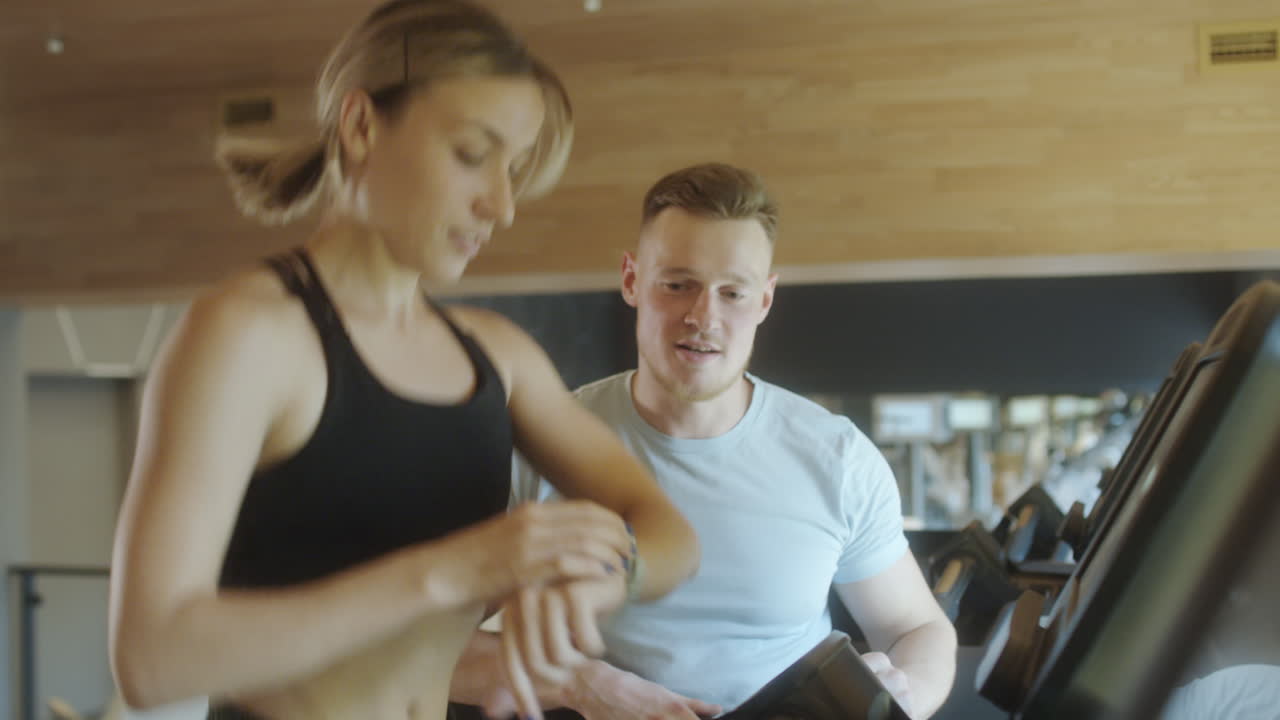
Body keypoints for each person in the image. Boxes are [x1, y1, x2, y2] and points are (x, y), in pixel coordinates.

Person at [106, 2, 700, 719]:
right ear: (361, 127)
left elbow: (668, 532)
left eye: (512, 169)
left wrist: (607, 578)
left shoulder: (495, 357)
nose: (502, 205)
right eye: (471, 155)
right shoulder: (251, 333)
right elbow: (150, 657)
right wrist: (455, 571)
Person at [450, 163, 958, 719]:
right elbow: (430, 648)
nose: (703, 316)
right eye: (677, 285)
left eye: (732, 292)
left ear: (764, 300)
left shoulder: (837, 458)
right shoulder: (538, 444)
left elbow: (916, 627)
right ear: (631, 280)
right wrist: (582, 684)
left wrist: (906, 691)